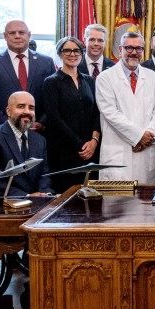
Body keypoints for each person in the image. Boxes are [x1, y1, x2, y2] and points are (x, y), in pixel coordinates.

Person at [96, 31, 155, 183]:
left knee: (147, 203)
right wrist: (139, 136)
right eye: (129, 48)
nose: (134, 52)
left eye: (138, 48)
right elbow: (110, 113)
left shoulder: (152, 77)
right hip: (118, 153)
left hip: (147, 152)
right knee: (117, 205)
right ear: (120, 50)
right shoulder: (105, 78)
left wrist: (149, 134)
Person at [41, 36, 101, 193]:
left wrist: (94, 141)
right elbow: (54, 118)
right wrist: (80, 145)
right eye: (67, 50)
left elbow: (97, 112)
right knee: (67, 197)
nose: (72, 54)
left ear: (82, 54)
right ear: (60, 54)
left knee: (91, 196)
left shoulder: (89, 80)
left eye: (76, 50)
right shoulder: (51, 82)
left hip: (91, 150)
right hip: (64, 151)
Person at [0, 19, 56, 129]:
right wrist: (11, 125)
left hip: (39, 132)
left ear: (29, 35)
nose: (17, 36)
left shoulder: (46, 62)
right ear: (5, 36)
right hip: (3, 133)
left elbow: (53, 100)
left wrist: (41, 122)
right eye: (12, 33)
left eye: (21, 32)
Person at [0, 91, 51, 197]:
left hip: (39, 206)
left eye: (31, 108)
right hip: (6, 207)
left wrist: (45, 194)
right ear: (8, 111)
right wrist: (27, 196)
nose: (27, 111)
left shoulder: (40, 140)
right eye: (21, 106)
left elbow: (44, 175)